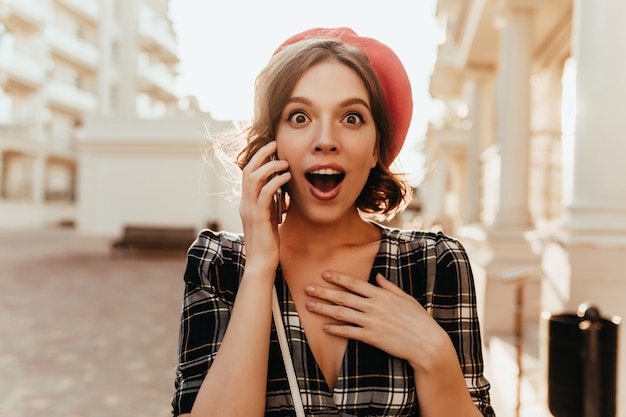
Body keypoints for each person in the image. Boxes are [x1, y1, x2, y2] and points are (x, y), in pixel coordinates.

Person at [171, 27, 495, 417]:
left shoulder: (435, 264)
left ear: (376, 147)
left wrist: (434, 354)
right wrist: (258, 268)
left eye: (352, 118)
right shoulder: (218, 264)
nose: (325, 139)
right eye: (300, 116)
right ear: (272, 142)